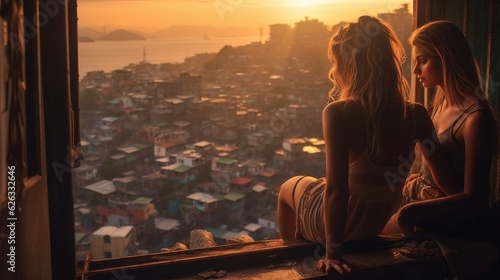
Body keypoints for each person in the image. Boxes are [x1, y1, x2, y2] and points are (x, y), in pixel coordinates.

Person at [277, 16, 458, 276]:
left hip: (342, 227)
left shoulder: (338, 112)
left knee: (288, 188)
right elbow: (448, 183)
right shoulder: (417, 114)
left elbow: (337, 191)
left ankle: (291, 258)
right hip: (376, 222)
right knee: (317, 183)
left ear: (348, 64)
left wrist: (333, 255)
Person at [382, 20, 500, 278]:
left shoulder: (475, 119)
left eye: (422, 60)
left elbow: (475, 198)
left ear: (446, 58)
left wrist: (414, 209)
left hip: (448, 220)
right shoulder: (440, 105)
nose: (415, 70)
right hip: (424, 202)